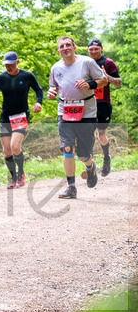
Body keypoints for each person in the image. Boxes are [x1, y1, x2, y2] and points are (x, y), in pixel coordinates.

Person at [47, 36, 108, 199]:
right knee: (67, 148)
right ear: (58, 50)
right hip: (64, 110)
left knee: (83, 154)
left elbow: (104, 81)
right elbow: (53, 87)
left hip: (86, 111)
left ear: (74, 47)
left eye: (68, 45)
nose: (65, 48)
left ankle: (90, 166)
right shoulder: (56, 68)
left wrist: (90, 84)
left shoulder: (86, 62)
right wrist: (51, 93)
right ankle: (71, 187)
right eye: (61, 46)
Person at [0, 51, 43, 188]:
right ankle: (13, 177)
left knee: (15, 146)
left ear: (17, 62)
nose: (8, 67)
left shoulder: (27, 76)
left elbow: (39, 90)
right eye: (6, 65)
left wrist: (39, 103)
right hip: (5, 117)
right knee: (6, 150)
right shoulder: (1, 78)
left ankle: (21, 173)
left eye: (11, 64)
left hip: (20, 116)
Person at [87, 39, 122, 176]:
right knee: (88, 134)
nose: (94, 51)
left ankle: (106, 158)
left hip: (103, 103)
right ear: (87, 50)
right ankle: (89, 166)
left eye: (96, 49)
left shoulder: (108, 63)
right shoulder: (84, 62)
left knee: (101, 134)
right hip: (88, 103)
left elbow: (118, 83)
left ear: (101, 48)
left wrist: (107, 77)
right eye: (91, 49)